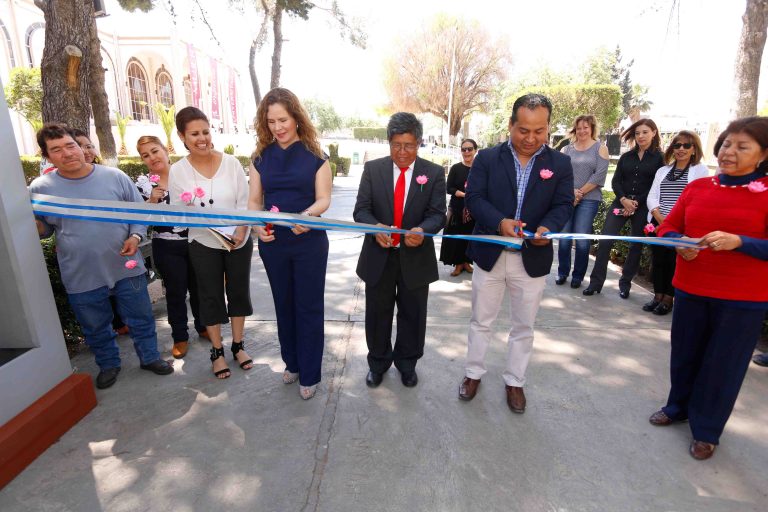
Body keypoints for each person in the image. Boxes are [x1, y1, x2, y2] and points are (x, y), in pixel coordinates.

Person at [648, 116, 768, 461]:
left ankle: (707, 429)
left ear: (763, 154)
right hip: (691, 288)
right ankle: (677, 406)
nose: (730, 151)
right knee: (684, 353)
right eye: (727, 143)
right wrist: (677, 241)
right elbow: (668, 226)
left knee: (723, 365)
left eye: (742, 147)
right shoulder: (699, 188)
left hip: (743, 300)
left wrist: (739, 242)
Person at [29, 123, 173, 389]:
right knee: (95, 327)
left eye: (70, 145)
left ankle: (150, 357)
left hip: (126, 267)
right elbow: (44, 229)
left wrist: (135, 237)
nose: (67, 153)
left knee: (141, 318)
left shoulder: (114, 177)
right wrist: (28, 223)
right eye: (56, 150)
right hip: (80, 274)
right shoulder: (40, 188)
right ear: (48, 157)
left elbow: (137, 214)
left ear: (81, 146)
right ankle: (108, 365)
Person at [458, 93, 574, 413]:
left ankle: (515, 382)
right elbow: (475, 198)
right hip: (490, 254)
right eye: (524, 130)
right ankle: (473, 373)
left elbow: (563, 204)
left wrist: (546, 229)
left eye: (539, 131)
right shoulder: (487, 159)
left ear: (548, 128)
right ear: (511, 125)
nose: (531, 138)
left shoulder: (560, 164)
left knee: (524, 326)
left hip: (531, 258)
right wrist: (499, 222)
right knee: (481, 319)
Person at [248, 88, 332, 400]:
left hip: (309, 241)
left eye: (282, 119)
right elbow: (254, 201)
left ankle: (310, 373)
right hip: (273, 243)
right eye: (271, 122)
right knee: (283, 304)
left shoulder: (316, 157)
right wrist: (259, 228)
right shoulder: (259, 159)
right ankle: (292, 363)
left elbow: (323, 199)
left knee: (308, 306)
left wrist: (307, 215)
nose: (278, 127)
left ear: (296, 118)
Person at [353, 112, 446, 389]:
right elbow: (361, 210)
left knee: (413, 314)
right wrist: (376, 227)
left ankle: (407, 364)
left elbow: (438, 214)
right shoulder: (374, 170)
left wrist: (423, 230)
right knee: (377, 313)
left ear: (419, 143)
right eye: (396, 145)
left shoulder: (432, 173)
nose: (402, 152)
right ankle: (378, 362)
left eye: (408, 145)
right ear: (389, 143)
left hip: (415, 257)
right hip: (379, 255)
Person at [169, 107, 253, 380]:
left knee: (238, 292)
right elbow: (177, 212)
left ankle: (238, 345)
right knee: (210, 296)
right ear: (182, 136)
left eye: (205, 131)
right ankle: (217, 351)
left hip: (238, 240)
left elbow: (245, 202)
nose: (202, 138)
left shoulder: (231, 163)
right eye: (194, 134)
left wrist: (241, 231)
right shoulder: (178, 170)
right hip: (203, 242)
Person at [136, 135, 208, 359]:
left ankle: (203, 326)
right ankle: (180, 336)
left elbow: (206, 205)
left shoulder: (188, 174)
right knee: (175, 293)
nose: (152, 157)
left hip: (196, 240)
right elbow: (140, 220)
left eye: (155, 151)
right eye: (145, 155)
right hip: (165, 246)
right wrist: (151, 202)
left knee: (199, 288)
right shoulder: (143, 185)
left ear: (165, 151)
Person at [584, 118, 665, 298]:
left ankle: (625, 284)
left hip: (643, 207)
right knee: (605, 240)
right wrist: (623, 199)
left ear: (653, 132)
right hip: (620, 204)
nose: (641, 136)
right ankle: (595, 283)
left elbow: (656, 185)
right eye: (637, 133)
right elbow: (616, 181)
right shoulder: (627, 156)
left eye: (645, 132)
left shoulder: (661, 158)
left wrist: (636, 202)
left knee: (635, 244)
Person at [72, 128, 131, 336]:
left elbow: (133, 209)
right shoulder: (52, 184)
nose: (86, 150)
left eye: (89, 145)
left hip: (119, 252)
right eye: (80, 145)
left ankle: (123, 323)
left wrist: (134, 235)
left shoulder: (111, 176)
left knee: (124, 292)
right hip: (85, 262)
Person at [643, 131, 709, 315]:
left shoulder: (700, 171)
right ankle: (657, 296)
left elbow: (698, 199)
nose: (681, 149)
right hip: (659, 224)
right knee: (658, 261)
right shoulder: (662, 171)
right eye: (677, 145)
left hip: (681, 227)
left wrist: (672, 224)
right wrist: (661, 220)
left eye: (686, 145)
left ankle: (668, 299)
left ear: (694, 149)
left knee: (673, 262)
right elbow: (652, 196)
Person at [555, 115, 609, 289]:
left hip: (589, 199)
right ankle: (562, 272)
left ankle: (578, 276)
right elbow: (560, 175)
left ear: (592, 128)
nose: (582, 131)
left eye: (586, 127)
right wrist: (571, 193)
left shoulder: (600, 148)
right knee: (563, 238)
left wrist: (579, 194)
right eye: (579, 128)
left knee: (581, 239)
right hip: (567, 198)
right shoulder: (566, 150)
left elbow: (599, 175)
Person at [439, 138, 477, 277]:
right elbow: (449, 188)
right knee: (456, 236)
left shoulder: (479, 168)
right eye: (463, 149)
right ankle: (458, 264)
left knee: (470, 236)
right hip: (457, 208)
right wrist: (462, 194)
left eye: (469, 149)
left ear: (475, 150)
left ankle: (467, 262)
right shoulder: (455, 168)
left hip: (474, 208)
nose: (466, 152)